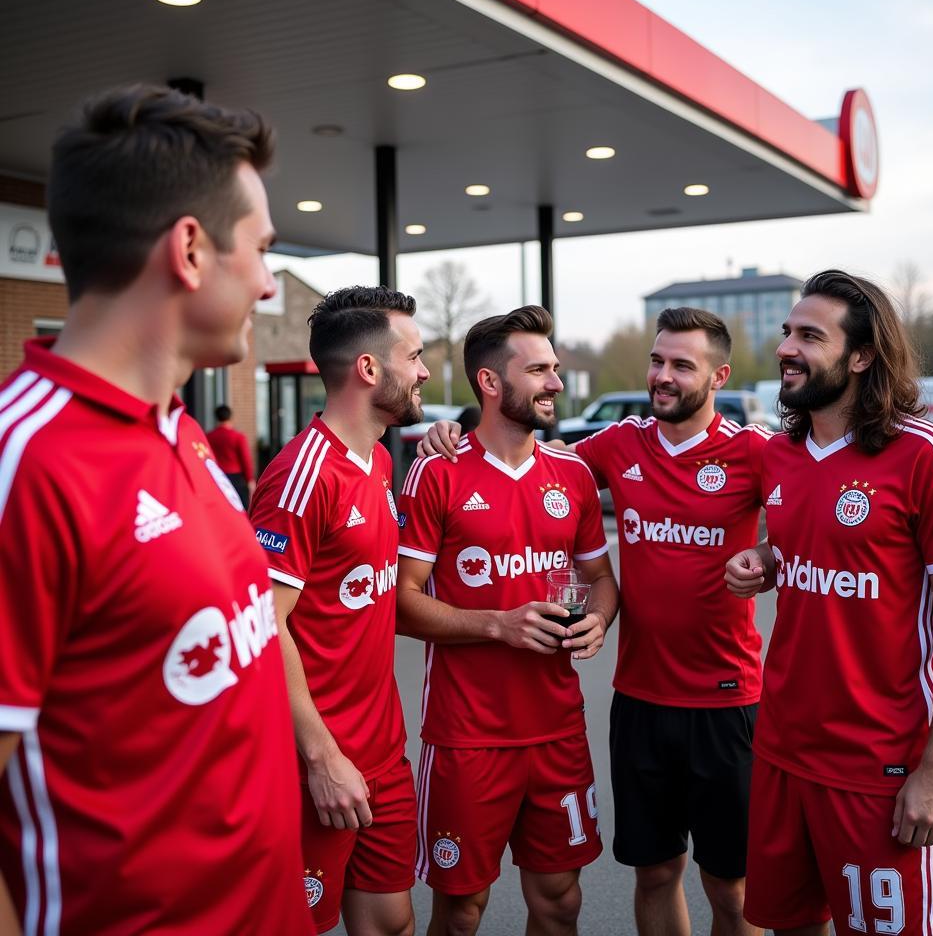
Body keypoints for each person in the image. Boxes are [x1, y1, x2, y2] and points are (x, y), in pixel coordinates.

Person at [0, 84, 313, 934]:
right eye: (261, 249)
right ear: (190, 250)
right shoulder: (25, 464)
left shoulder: (180, 430)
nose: (266, 282)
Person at [421, 307, 770, 936]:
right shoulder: (612, 448)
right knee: (654, 873)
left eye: (680, 365)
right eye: (657, 360)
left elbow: (820, 503)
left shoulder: (754, 451)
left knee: (733, 889)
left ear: (719, 377)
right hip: (636, 703)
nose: (662, 376)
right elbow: (531, 455)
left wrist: (768, 557)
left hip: (727, 701)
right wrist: (446, 431)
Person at [725, 269, 933, 936]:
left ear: (862, 354)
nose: (787, 346)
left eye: (810, 336)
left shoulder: (926, 454)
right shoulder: (782, 453)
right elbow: (818, 548)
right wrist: (769, 558)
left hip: (880, 763)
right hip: (783, 750)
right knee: (793, 925)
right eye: (787, 332)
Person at [396, 305, 618, 936]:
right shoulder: (436, 471)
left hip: (557, 732)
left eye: (556, 369)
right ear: (491, 384)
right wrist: (499, 624)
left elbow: (602, 581)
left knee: (560, 903)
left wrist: (599, 619)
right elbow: (400, 601)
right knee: (462, 909)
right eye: (540, 370)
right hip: (468, 738)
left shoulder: (572, 473)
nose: (555, 384)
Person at [248, 286, 429, 936]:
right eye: (415, 354)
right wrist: (321, 759)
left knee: (391, 922)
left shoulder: (380, 460)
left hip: (383, 752)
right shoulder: (300, 476)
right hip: (315, 764)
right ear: (370, 369)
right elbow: (264, 626)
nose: (427, 370)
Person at [207, 403, 255, 508]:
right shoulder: (238, 437)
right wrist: (250, 480)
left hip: (216, 478)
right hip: (236, 479)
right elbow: (246, 460)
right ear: (230, 417)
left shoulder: (208, 437)